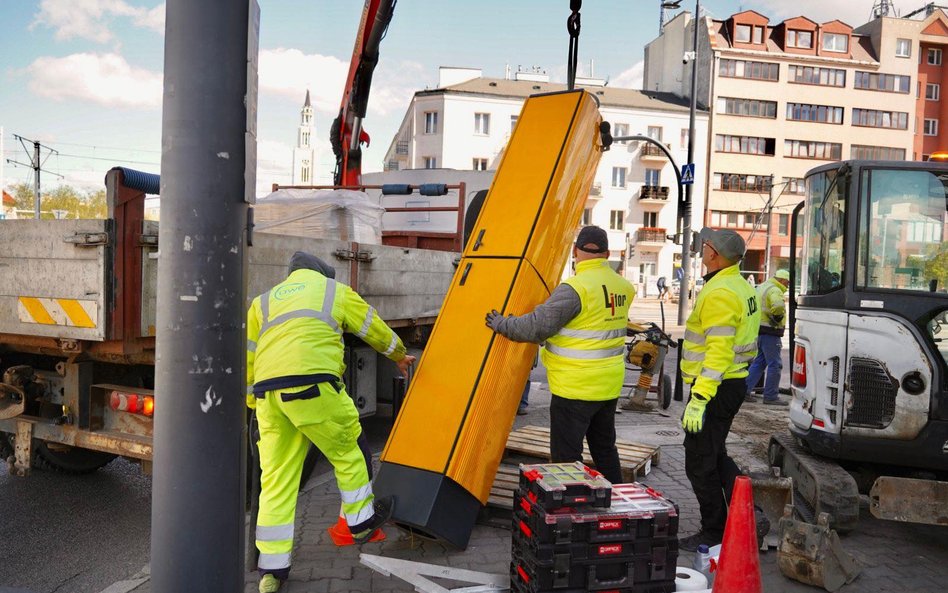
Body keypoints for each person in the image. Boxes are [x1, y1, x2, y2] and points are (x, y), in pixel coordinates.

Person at [247, 251, 416, 593]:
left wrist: (252, 400)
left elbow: (250, 353)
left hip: (268, 397)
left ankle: (271, 571)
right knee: (349, 448)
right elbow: (372, 327)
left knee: (277, 480)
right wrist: (399, 355)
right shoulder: (332, 290)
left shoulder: (261, 303)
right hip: (313, 386)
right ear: (322, 273)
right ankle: (361, 522)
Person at [485, 226, 635, 485]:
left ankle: (573, 505)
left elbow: (536, 327)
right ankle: (618, 498)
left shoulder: (575, 288)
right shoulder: (624, 287)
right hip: (608, 385)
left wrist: (501, 323)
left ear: (575, 251)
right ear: (607, 253)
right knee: (604, 449)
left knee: (566, 456)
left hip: (575, 387)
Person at [678, 228, 761, 552]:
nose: (701, 249)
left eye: (705, 245)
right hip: (731, 383)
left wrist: (699, 398)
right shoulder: (740, 285)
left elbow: (719, 351)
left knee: (699, 462)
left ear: (714, 253)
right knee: (715, 454)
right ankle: (751, 512)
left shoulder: (721, 292)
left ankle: (713, 531)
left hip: (715, 386)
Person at [744, 269, 791, 405]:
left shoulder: (762, 287)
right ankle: (771, 396)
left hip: (759, 330)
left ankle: (745, 391)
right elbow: (778, 306)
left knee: (759, 362)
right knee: (775, 364)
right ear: (782, 280)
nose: (787, 286)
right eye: (787, 283)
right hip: (771, 331)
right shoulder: (775, 290)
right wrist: (778, 316)